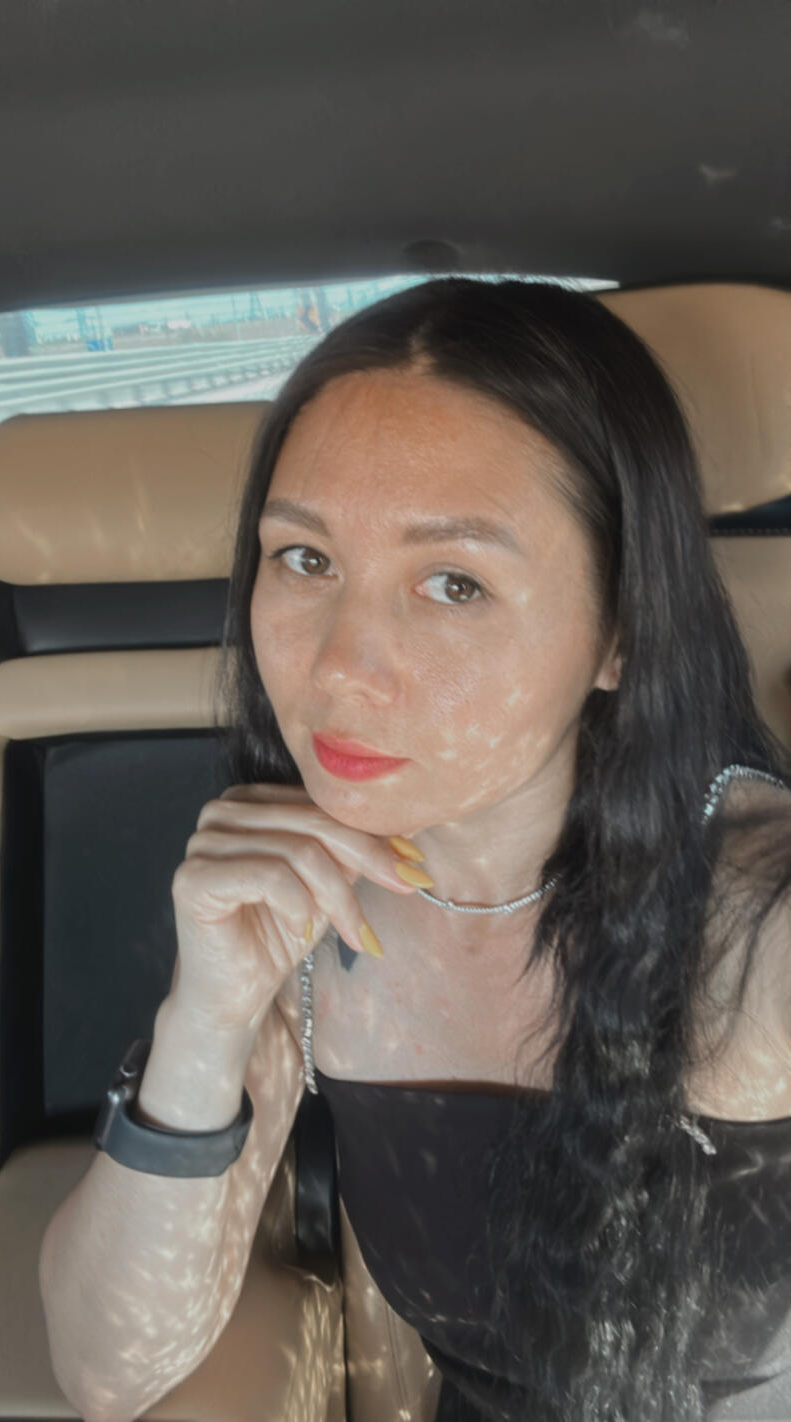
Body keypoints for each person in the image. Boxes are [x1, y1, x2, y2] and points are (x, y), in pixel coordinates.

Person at [41, 277, 791, 1422]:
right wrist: (204, 1020)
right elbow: (109, 1368)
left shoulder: (760, 918)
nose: (339, 668)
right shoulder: (303, 921)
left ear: (622, 631)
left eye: (453, 583)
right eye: (303, 560)